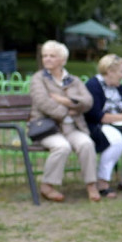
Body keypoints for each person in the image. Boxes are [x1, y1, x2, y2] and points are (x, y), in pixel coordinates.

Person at [28, 40, 99, 202]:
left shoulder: (73, 80)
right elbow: (43, 102)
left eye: (52, 56)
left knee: (86, 143)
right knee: (62, 147)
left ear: (62, 59)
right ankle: (47, 185)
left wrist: (65, 100)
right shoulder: (38, 79)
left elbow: (88, 101)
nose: (47, 59)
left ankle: (91, 185)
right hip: (47, 127)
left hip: (72, 128)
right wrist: (70, 109)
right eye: (45, 56)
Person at [84, 54, 122, 197]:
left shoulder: (119, 87)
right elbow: (96, 116)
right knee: (116, 141)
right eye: (121, 72)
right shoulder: (93, 86)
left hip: (119, 125)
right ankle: (102, 181)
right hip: (98, 126)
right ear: (110, 71)